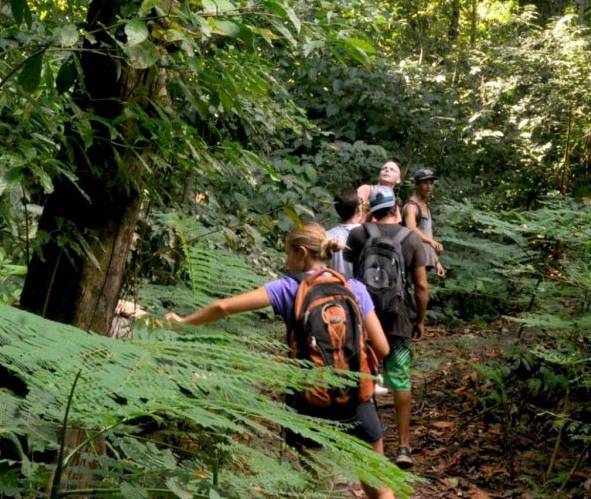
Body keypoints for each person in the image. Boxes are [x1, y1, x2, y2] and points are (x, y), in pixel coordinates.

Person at [166, 222, 396, 499]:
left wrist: (183, 322)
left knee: (319, 487)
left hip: (311, 398)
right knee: (379, 487)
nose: (286, 261)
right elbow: (382, 348)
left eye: (287, 254)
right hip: (358, 397)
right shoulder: (354, 288)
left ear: (301, 253)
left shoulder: (287, 288)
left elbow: (223, 307)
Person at [345, 188, 428, 469]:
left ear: (371, 209)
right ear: (397, 208)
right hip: (399, 319)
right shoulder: (412, 238)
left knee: (362, 374)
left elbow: (351, 273)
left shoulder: (358, 235)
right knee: (400, 378)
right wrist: (420, 320)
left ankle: (366, 436)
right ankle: (404, 446)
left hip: (363, 319)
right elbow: (421, 286)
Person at [402, 168, 445, 280]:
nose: (429, 186)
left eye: (431, 183)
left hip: (424, 261)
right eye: (425, 183)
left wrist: (436, 261)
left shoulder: (425, 205)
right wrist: (432, 242)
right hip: (412, 260)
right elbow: (411, 228)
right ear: (416, 184)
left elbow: (426, 234)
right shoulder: (412, 206)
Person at [326, 188, 364, 279]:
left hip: (334, 289)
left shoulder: (326, 236)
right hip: (360, 291)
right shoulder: (367, 235)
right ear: (358, 209)